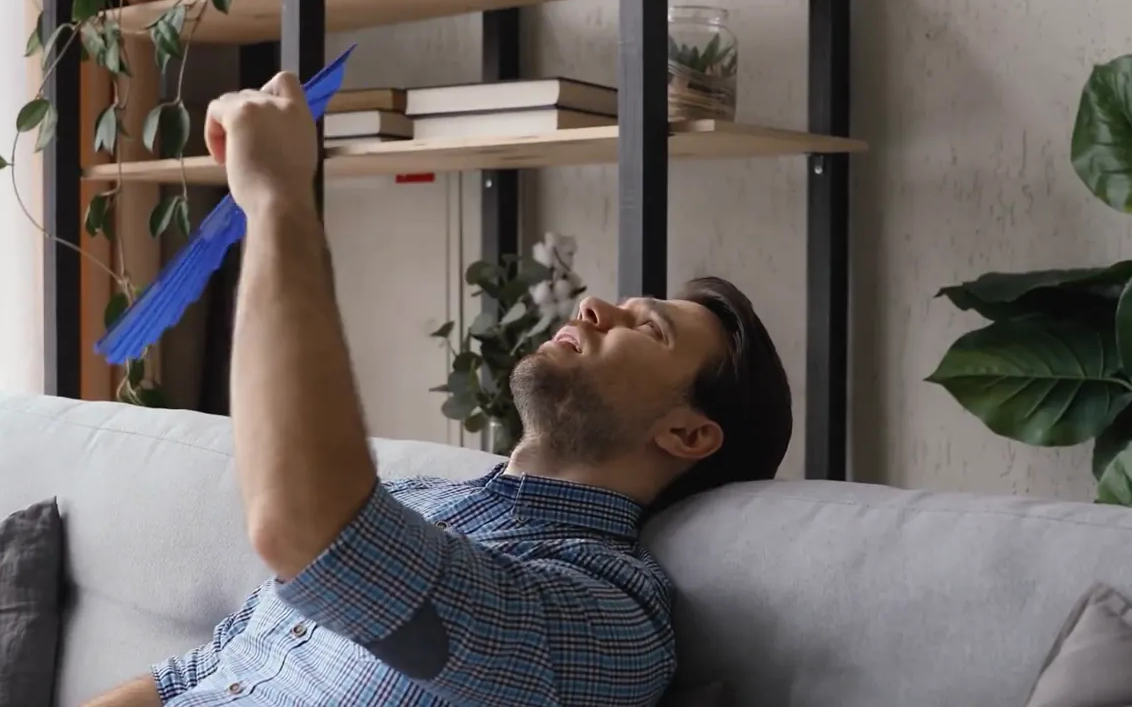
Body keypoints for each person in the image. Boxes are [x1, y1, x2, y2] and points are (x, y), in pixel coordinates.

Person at [85, 71, 792, 707]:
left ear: (689, 434)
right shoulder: (421, 501)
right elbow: (196, 674)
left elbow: (307, 533)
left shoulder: (604, 620)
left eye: (650, 329)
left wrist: (277, 199)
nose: (595, 307)